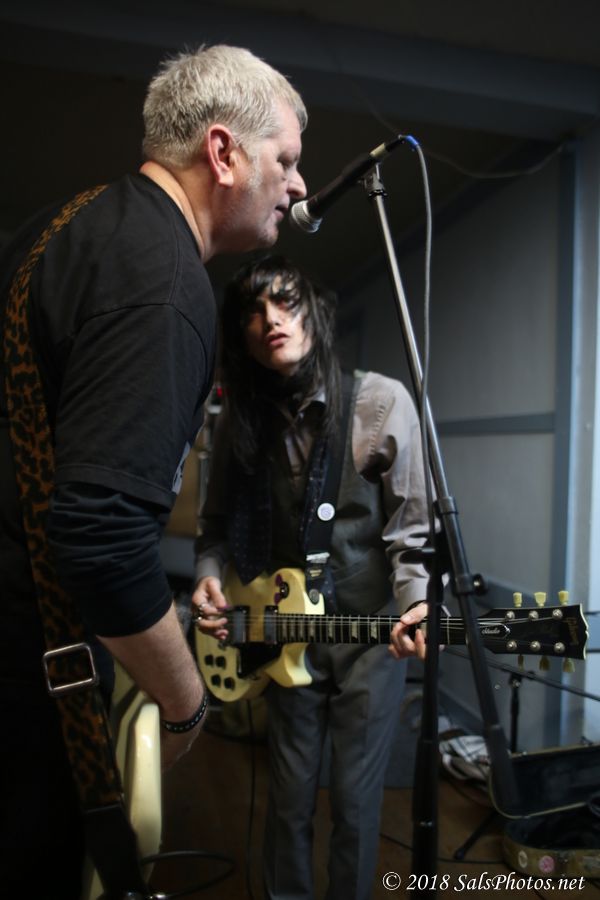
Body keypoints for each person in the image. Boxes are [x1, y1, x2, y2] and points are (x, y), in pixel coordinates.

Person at [0, 45, 306, 899]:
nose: (298, 186)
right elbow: (100, 538)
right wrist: (185, 700)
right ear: (223, 153)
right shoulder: (167, 282)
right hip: (27, 676)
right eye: (285, 160)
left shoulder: (66, 227)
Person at [193, 255, 432, 900]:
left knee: (355, 801)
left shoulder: (380, 402)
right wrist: (210, 574)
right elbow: (214, 527)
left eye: (286, 302)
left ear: (316, 315)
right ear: (242, 337)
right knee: (289, 795)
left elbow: (412, 533)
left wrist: (416, 604)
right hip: (284, 631)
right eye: (254, 311)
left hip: (370, 635)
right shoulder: (242, 421)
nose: (271, 319)